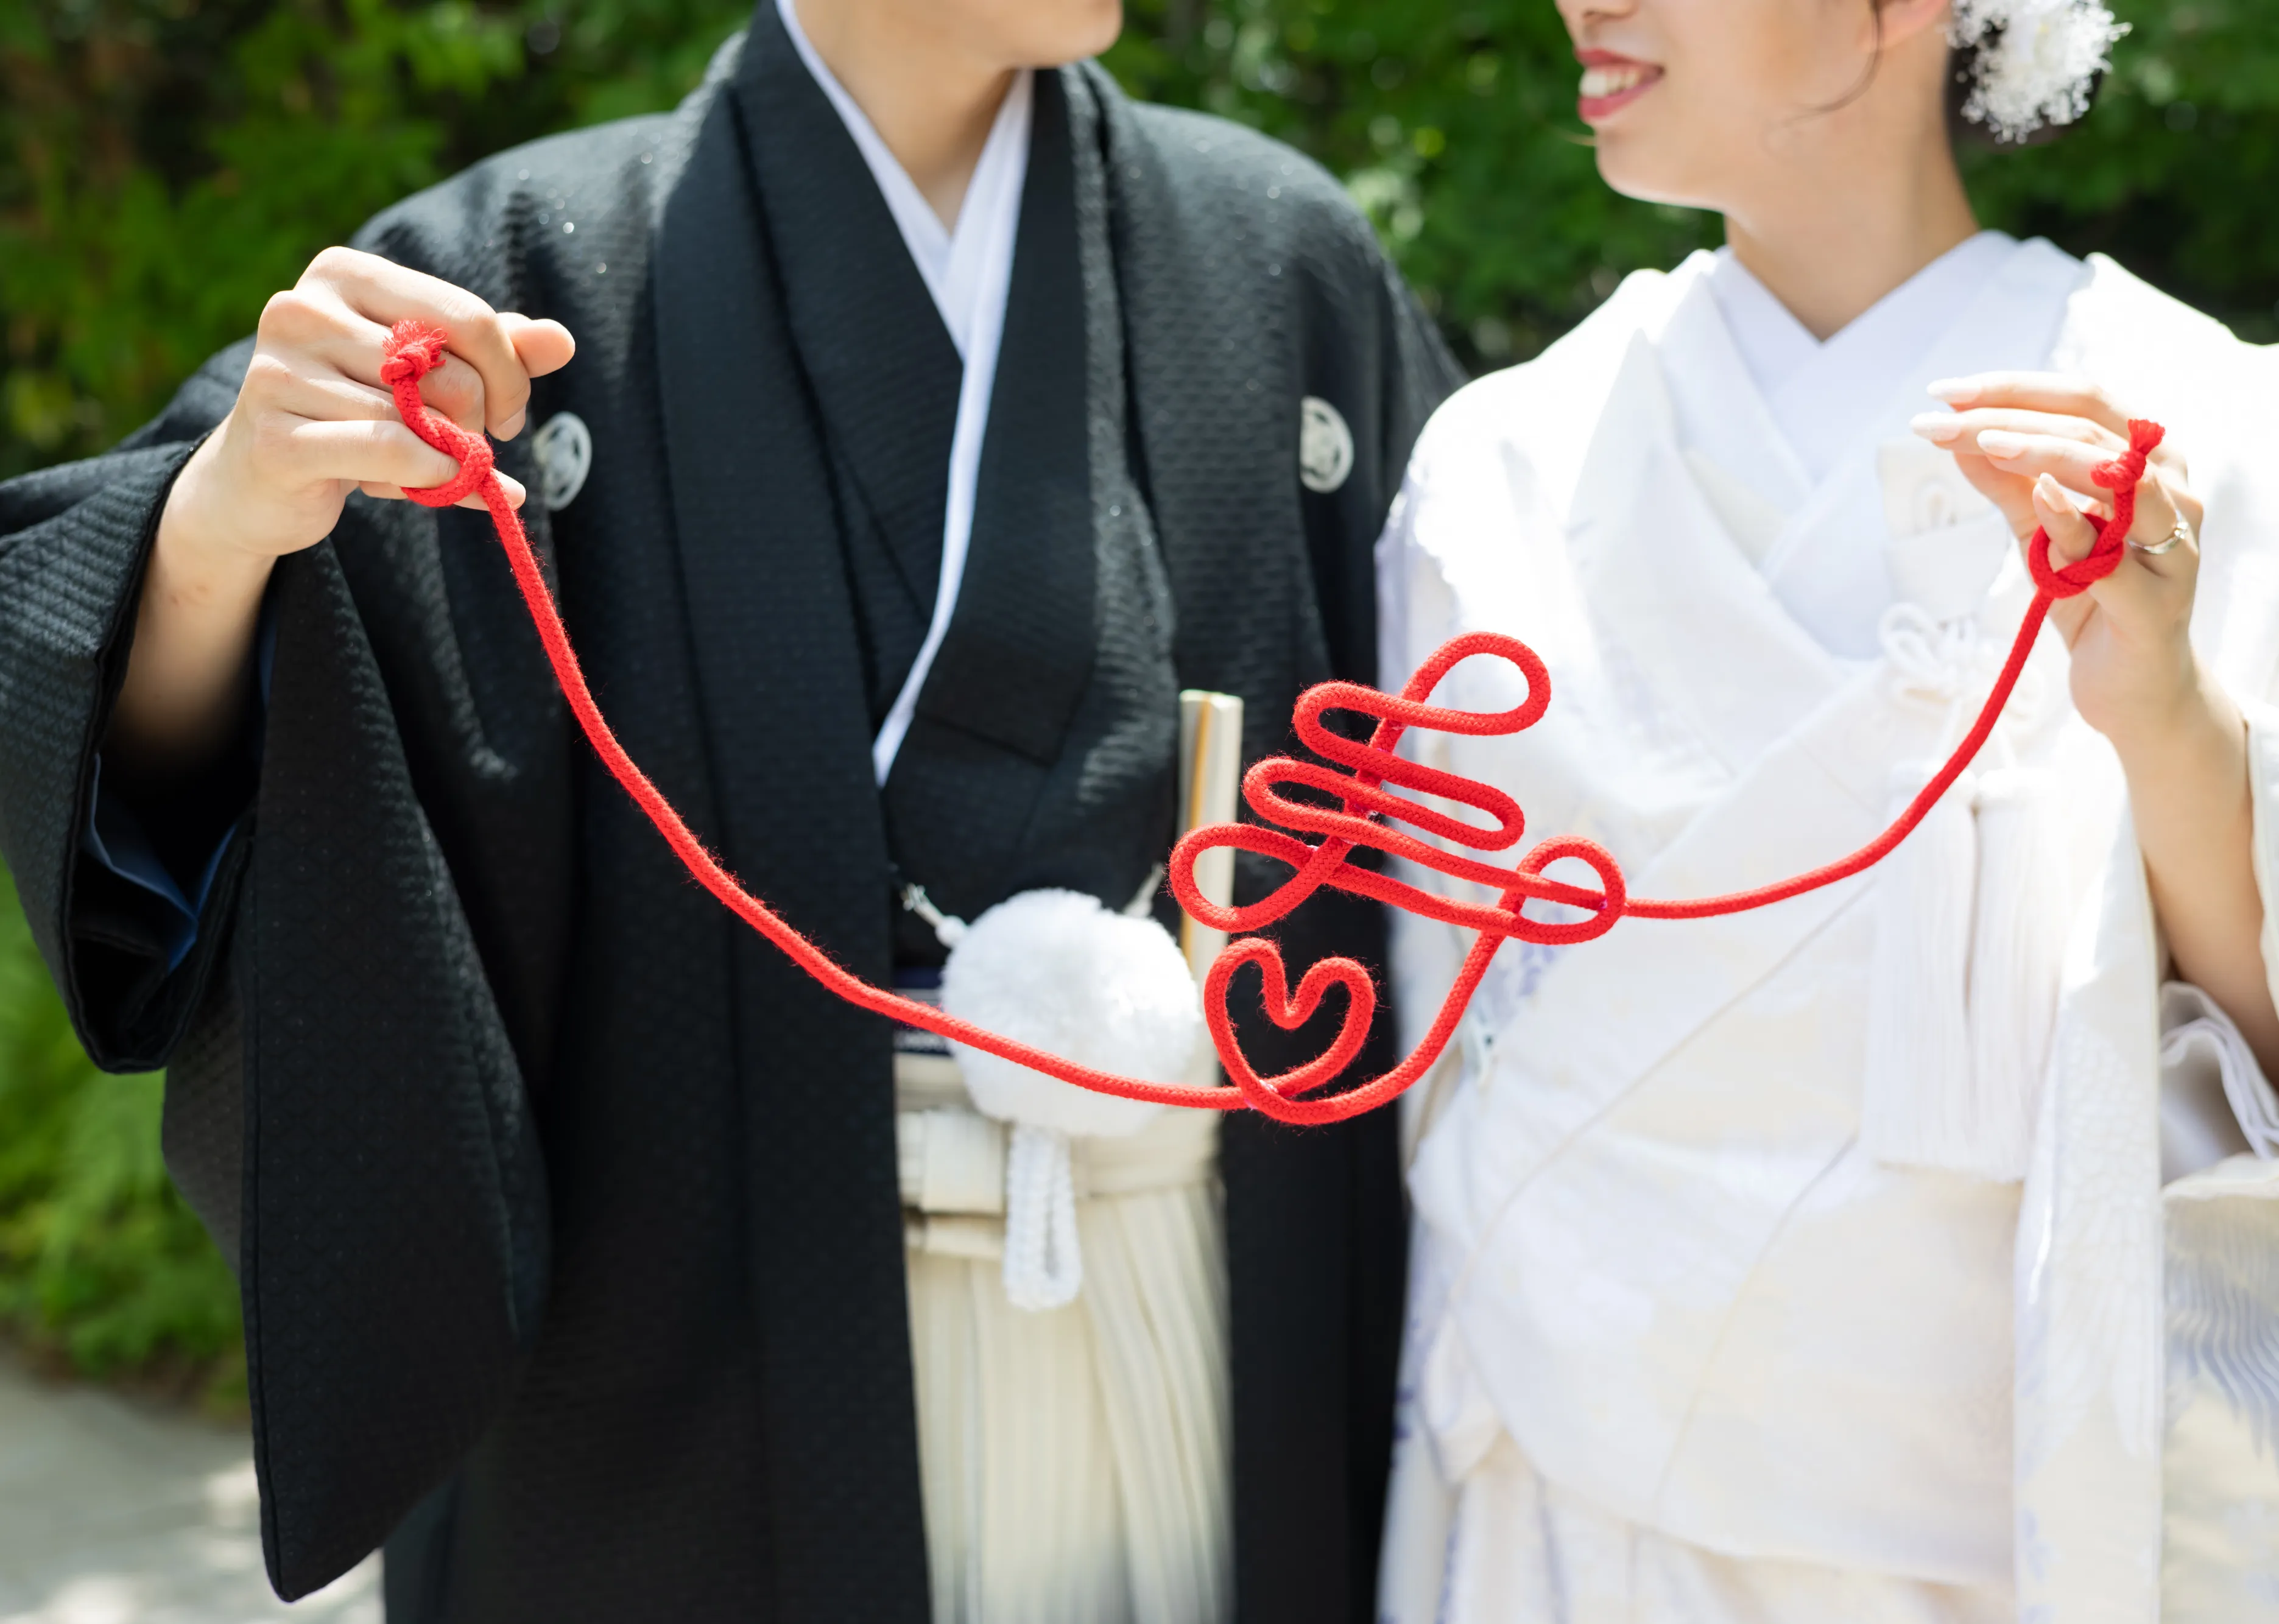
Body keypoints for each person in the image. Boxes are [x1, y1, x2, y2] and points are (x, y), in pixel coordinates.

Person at [0, 1, 1460, 1619]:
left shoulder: (1275, 256)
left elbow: (1499, 803)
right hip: (695, 1387)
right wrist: (223, 526)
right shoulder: (510, 280)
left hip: (1205, 1303)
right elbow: (170, 733)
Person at [1373, 0, 2279, 1619]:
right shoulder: (1499, 464)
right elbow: (1430, 1044)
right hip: (1573, 1516)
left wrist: (2165, 712)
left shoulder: (2226, 433)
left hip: (2013, 1532)